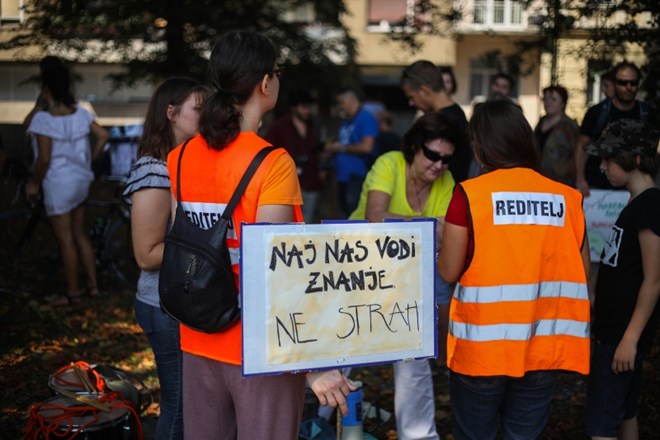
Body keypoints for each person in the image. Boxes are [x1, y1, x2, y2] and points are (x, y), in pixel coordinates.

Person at [166, 30, 354, 439]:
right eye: (277, 71)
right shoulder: (273, 162)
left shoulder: (179, 158)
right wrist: (313, 363)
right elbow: (275, 272)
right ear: (265, 84)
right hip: (259, 347)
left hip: (196, 334)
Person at [439, 100, 591, 439]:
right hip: (542, 345)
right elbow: (582, 271)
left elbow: (448, 271)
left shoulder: (469, 195)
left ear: (480, 146)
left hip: (483, 348)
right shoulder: (567, 199)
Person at [350, 112, 462, 440]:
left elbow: (446, 236)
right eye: (432, 155)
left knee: (412, 353)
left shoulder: (447, 181)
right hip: (358, 265)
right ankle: (316, 415)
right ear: (414, 147)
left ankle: (419, 434)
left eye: (447, 158)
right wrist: (428, 227)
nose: (440, 165)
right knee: (341, 347)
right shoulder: (390, 163)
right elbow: (374, 216)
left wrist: (403, 225)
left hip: (409, 275)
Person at [122, 77, 209, 439]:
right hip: (163, 304)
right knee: (179, 407)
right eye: (197, 110)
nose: (204, 117)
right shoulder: (155, 170)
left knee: (189, 405)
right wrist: (209, 252)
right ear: (171, 114)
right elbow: (146, 255)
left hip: (177, 302)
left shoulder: (181, 165)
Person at [584, 119, 660, 440]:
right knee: (625, 412)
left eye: (609, 159)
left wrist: (629, 339)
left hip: (621, 338)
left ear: (636, 159)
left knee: (601, 425)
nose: (602, 166)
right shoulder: (635, 203)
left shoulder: (650, 205)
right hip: (615, 334)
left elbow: (654, 279)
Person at [26, 63, 108, 306]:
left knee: (65, 240)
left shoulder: (43, 119)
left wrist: (33, 184)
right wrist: (89, 161)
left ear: (46, 87)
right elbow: (103, 135)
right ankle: (92, 286)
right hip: (81, 180)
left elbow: (43, 160)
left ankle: (72, 292)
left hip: (58, 183)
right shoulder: (81, 113)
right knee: (80, 234)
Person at [574, 61, 656, 196]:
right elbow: (580, 146)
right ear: (614, 83)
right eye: (623, 82)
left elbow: (650, 154)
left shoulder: (647, 114)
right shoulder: (597, 112)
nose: (628, 87)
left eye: (633, 83)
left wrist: (649, 183)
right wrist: (580, 179)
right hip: (597, 187)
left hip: (633, 189)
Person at [400, 60, 470, 182]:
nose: (411, 103)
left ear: (424, 91)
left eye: (411, 97)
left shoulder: (442, 122)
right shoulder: (457, 115)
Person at [264, 89, 324, 223]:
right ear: (293, 108)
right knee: (288, 223)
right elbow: (266, 150)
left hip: (311, 181)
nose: (307, 111)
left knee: (307, 221)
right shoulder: (279, 127)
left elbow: (318, 149)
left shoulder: (314, 126)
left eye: (309, 107)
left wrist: (321, 168)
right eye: (303, 107)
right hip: (286, 182)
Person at [324, 88, 379, 217]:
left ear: (351, 100)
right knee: (345, 214)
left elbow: (367, 147)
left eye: (341, 102)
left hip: (357, 176)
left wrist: (341, 148)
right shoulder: (347, 120)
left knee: (355, 215)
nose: (339, 106)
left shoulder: (366, 118)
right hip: (343, 176)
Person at [534, 85, 579, 185]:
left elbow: (577, 153)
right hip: (539, 176)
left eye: (553, 99)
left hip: (560, 179)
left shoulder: (569, 126)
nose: (548, 102)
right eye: (546, 99)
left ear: (562, 103)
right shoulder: (541, 121)